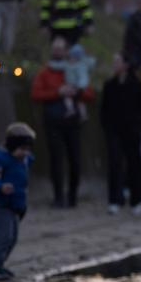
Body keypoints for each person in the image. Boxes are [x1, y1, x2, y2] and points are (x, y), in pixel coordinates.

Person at [31, 38, 95, 208]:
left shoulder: (77, 68)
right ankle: (58, 196)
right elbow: (36, 94)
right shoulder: (45, 72)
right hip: (53, 122)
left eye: (60, 49)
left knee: (75, 160)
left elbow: (89, 93)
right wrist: (57, 92)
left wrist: (76, 92)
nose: (57, 52)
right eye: (55, 48)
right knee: (56, 160)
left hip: (73, 123)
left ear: (67, 51)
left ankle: (72, 196)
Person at [0, 123, 36, 280]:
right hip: (2, 206)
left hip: (15, 205)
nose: (25, 153)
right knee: (4, 236)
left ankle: (0, 264)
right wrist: (0, 187)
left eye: (28, 149)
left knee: (13, 238)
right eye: (22, 149)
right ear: (12, 145)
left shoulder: (23, 160)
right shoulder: (0, 160)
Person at [100, 54, 141, 214]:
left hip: (132, 131)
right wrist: (107, 128)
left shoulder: (137, 85)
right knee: (114, 164)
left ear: (126, 65)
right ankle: (114, 200)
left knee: (134, 164)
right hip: (114, 131)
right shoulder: (109, 85)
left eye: (118, 62)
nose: (115, 65)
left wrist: (140, 128)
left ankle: (137, 200)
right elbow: (104, 109)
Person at [49, 43, 95, 122]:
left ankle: (82, 114)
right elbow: (58, 65)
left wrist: (80, 87)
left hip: (77, 87)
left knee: (78, 101)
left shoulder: (80, 66)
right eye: (71, 56)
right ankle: (72, 110)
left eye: (74, 57)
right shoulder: (67, 64)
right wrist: (51, 64)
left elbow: (83, 78)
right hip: (70, 85)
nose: (72, 58)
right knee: (70, 98)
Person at [122, 0, 141, 68]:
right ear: (138, 5)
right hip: (132, 49)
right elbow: (129, 33)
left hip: (140, 49)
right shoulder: (134, 17)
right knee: (132, 68)